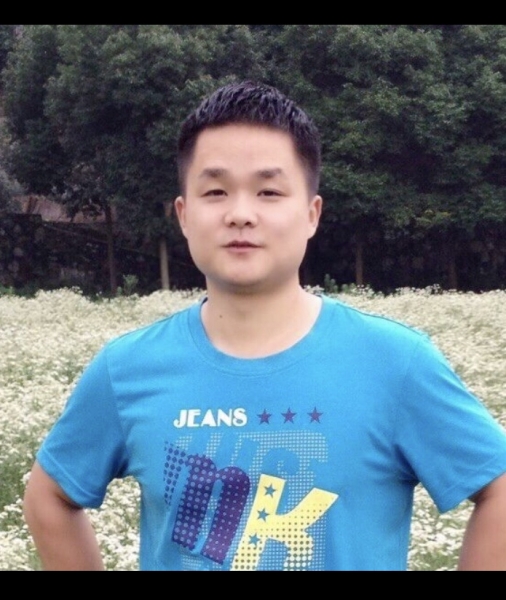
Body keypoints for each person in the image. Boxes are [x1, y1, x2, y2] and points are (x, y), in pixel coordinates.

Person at [23, 80, 506, 571]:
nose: (240, 214)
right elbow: (49, 498)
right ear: (184, 215)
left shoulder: (396, 363)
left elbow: (498, 490)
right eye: (215, 191)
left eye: (269, 191)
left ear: (312, 214)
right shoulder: (126, 369)